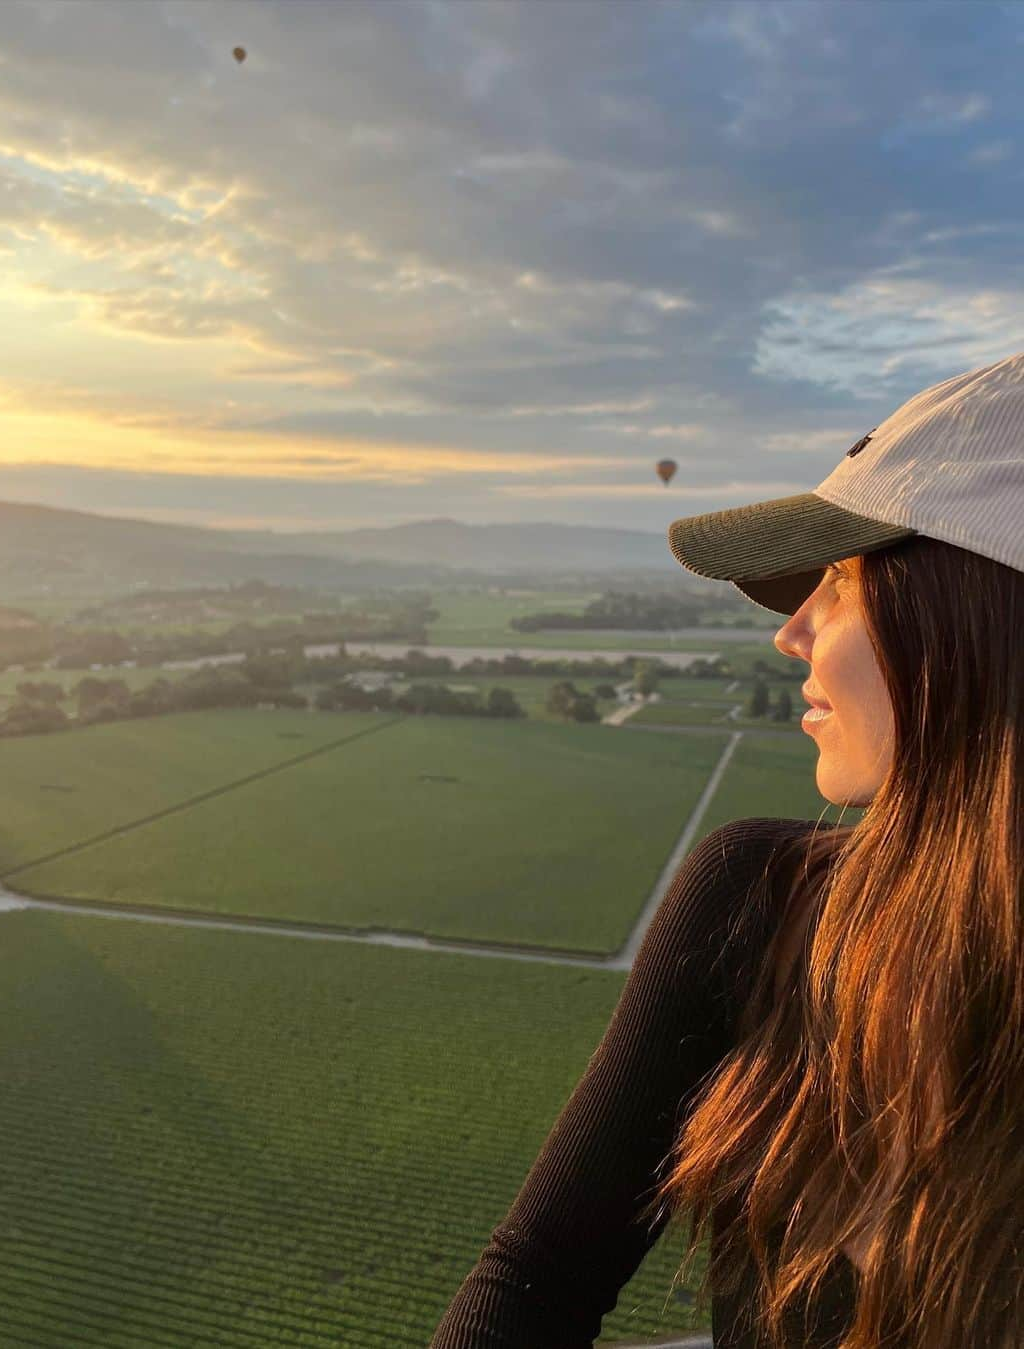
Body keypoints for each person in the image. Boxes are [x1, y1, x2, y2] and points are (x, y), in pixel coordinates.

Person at [429, 353, 1023, 1348]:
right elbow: (540, 1276)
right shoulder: (757, 898)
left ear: (968, 616)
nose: (791, 632)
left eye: (839, 578)